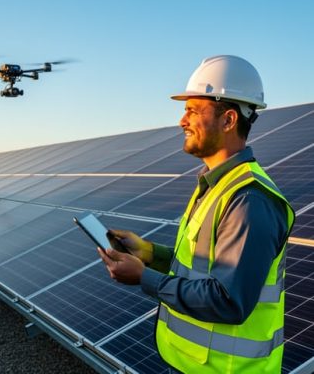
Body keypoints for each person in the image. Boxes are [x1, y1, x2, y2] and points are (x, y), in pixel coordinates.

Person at [98, 55, 295, 373]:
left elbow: (229, 300)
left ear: (229, 120)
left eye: (192, 110)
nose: (182, 121)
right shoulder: (216, 184)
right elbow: (204, 269)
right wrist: (149, 253)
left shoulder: (249, 200)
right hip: (194, 364)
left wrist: (144, 277)